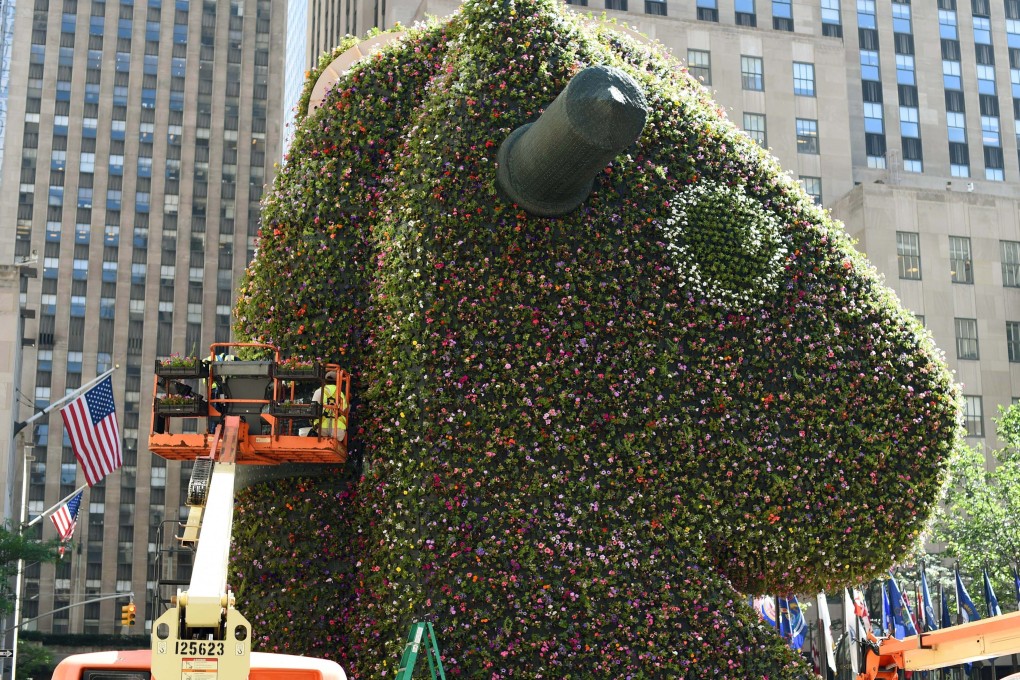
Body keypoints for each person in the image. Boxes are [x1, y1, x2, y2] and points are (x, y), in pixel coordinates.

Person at [311, 370, 348, 440]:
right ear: (337, 381)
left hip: (321, 428)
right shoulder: (341, 394)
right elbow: (344, 410)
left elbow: (313, 409)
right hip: (338, 430)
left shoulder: (319, 391)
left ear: (325, 381)